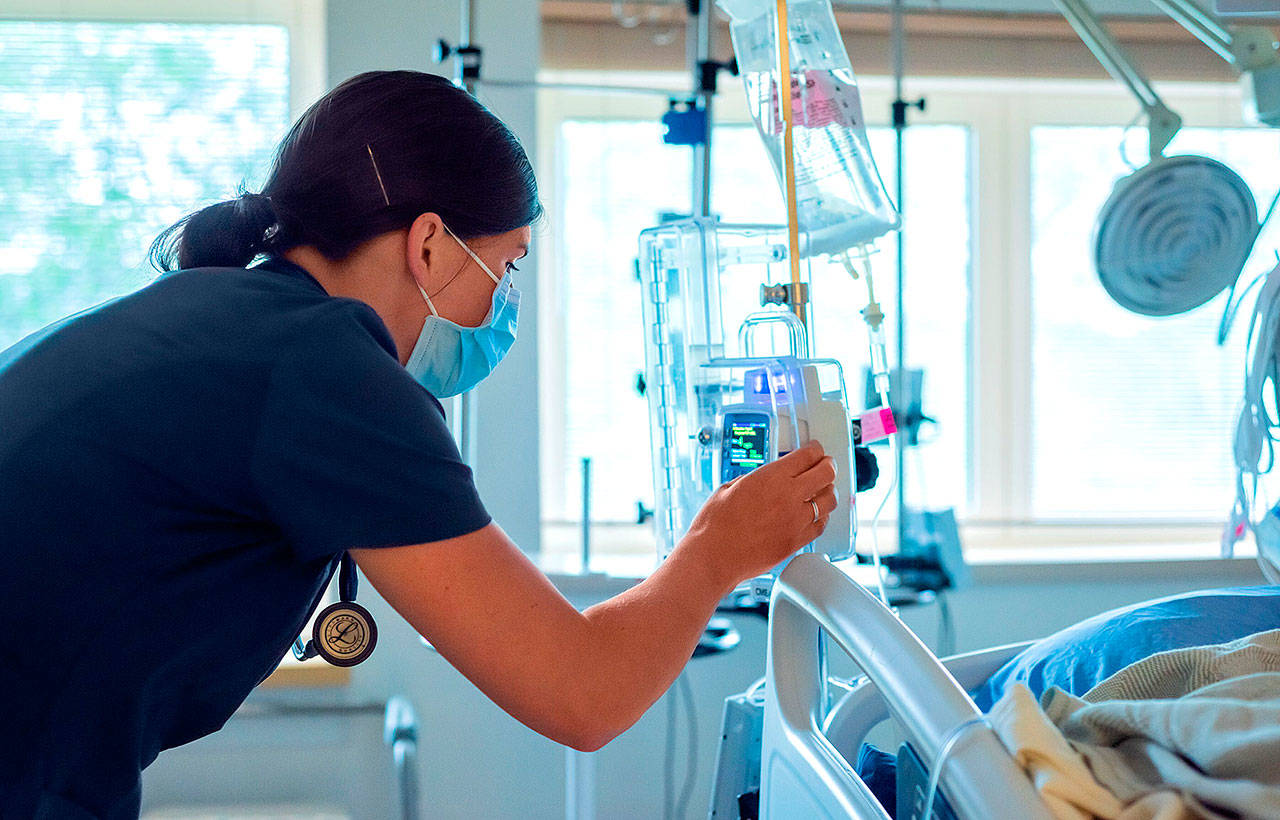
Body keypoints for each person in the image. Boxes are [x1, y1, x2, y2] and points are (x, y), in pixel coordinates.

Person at [0, 70, 837, 819]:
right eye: (507, 267)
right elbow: (583, 695)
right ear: (430, 243)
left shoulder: (216, 318)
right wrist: (718, 547)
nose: (505, 303)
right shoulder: (326, 372)